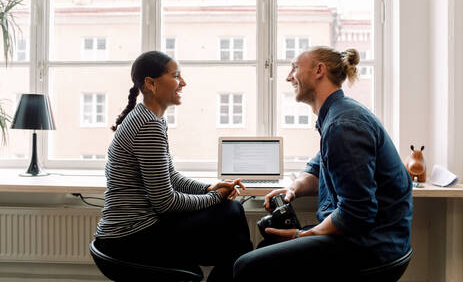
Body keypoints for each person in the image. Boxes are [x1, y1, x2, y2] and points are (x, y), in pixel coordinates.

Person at [233, 47, 413, 281]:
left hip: (371, 247)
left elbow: (357, 214)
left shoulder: (343, 125)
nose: (289, 77)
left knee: (246, 267)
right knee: (266, 246)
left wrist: (301, 235)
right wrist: (293, 189)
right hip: (364, 238)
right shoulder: (338, 116)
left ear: (319, 70)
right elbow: (318, 169)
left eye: (295, 67)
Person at [95, 51, 253, 282]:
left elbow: (171, 177)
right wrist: (217, 197)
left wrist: (208, 188)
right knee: (232, 220)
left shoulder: (151, 118)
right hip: (129, 237)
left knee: (232, 225)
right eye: (176, 76)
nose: (183, 83)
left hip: (139, 228)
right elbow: (165, 202)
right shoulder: (148, 125)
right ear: (151, 83)